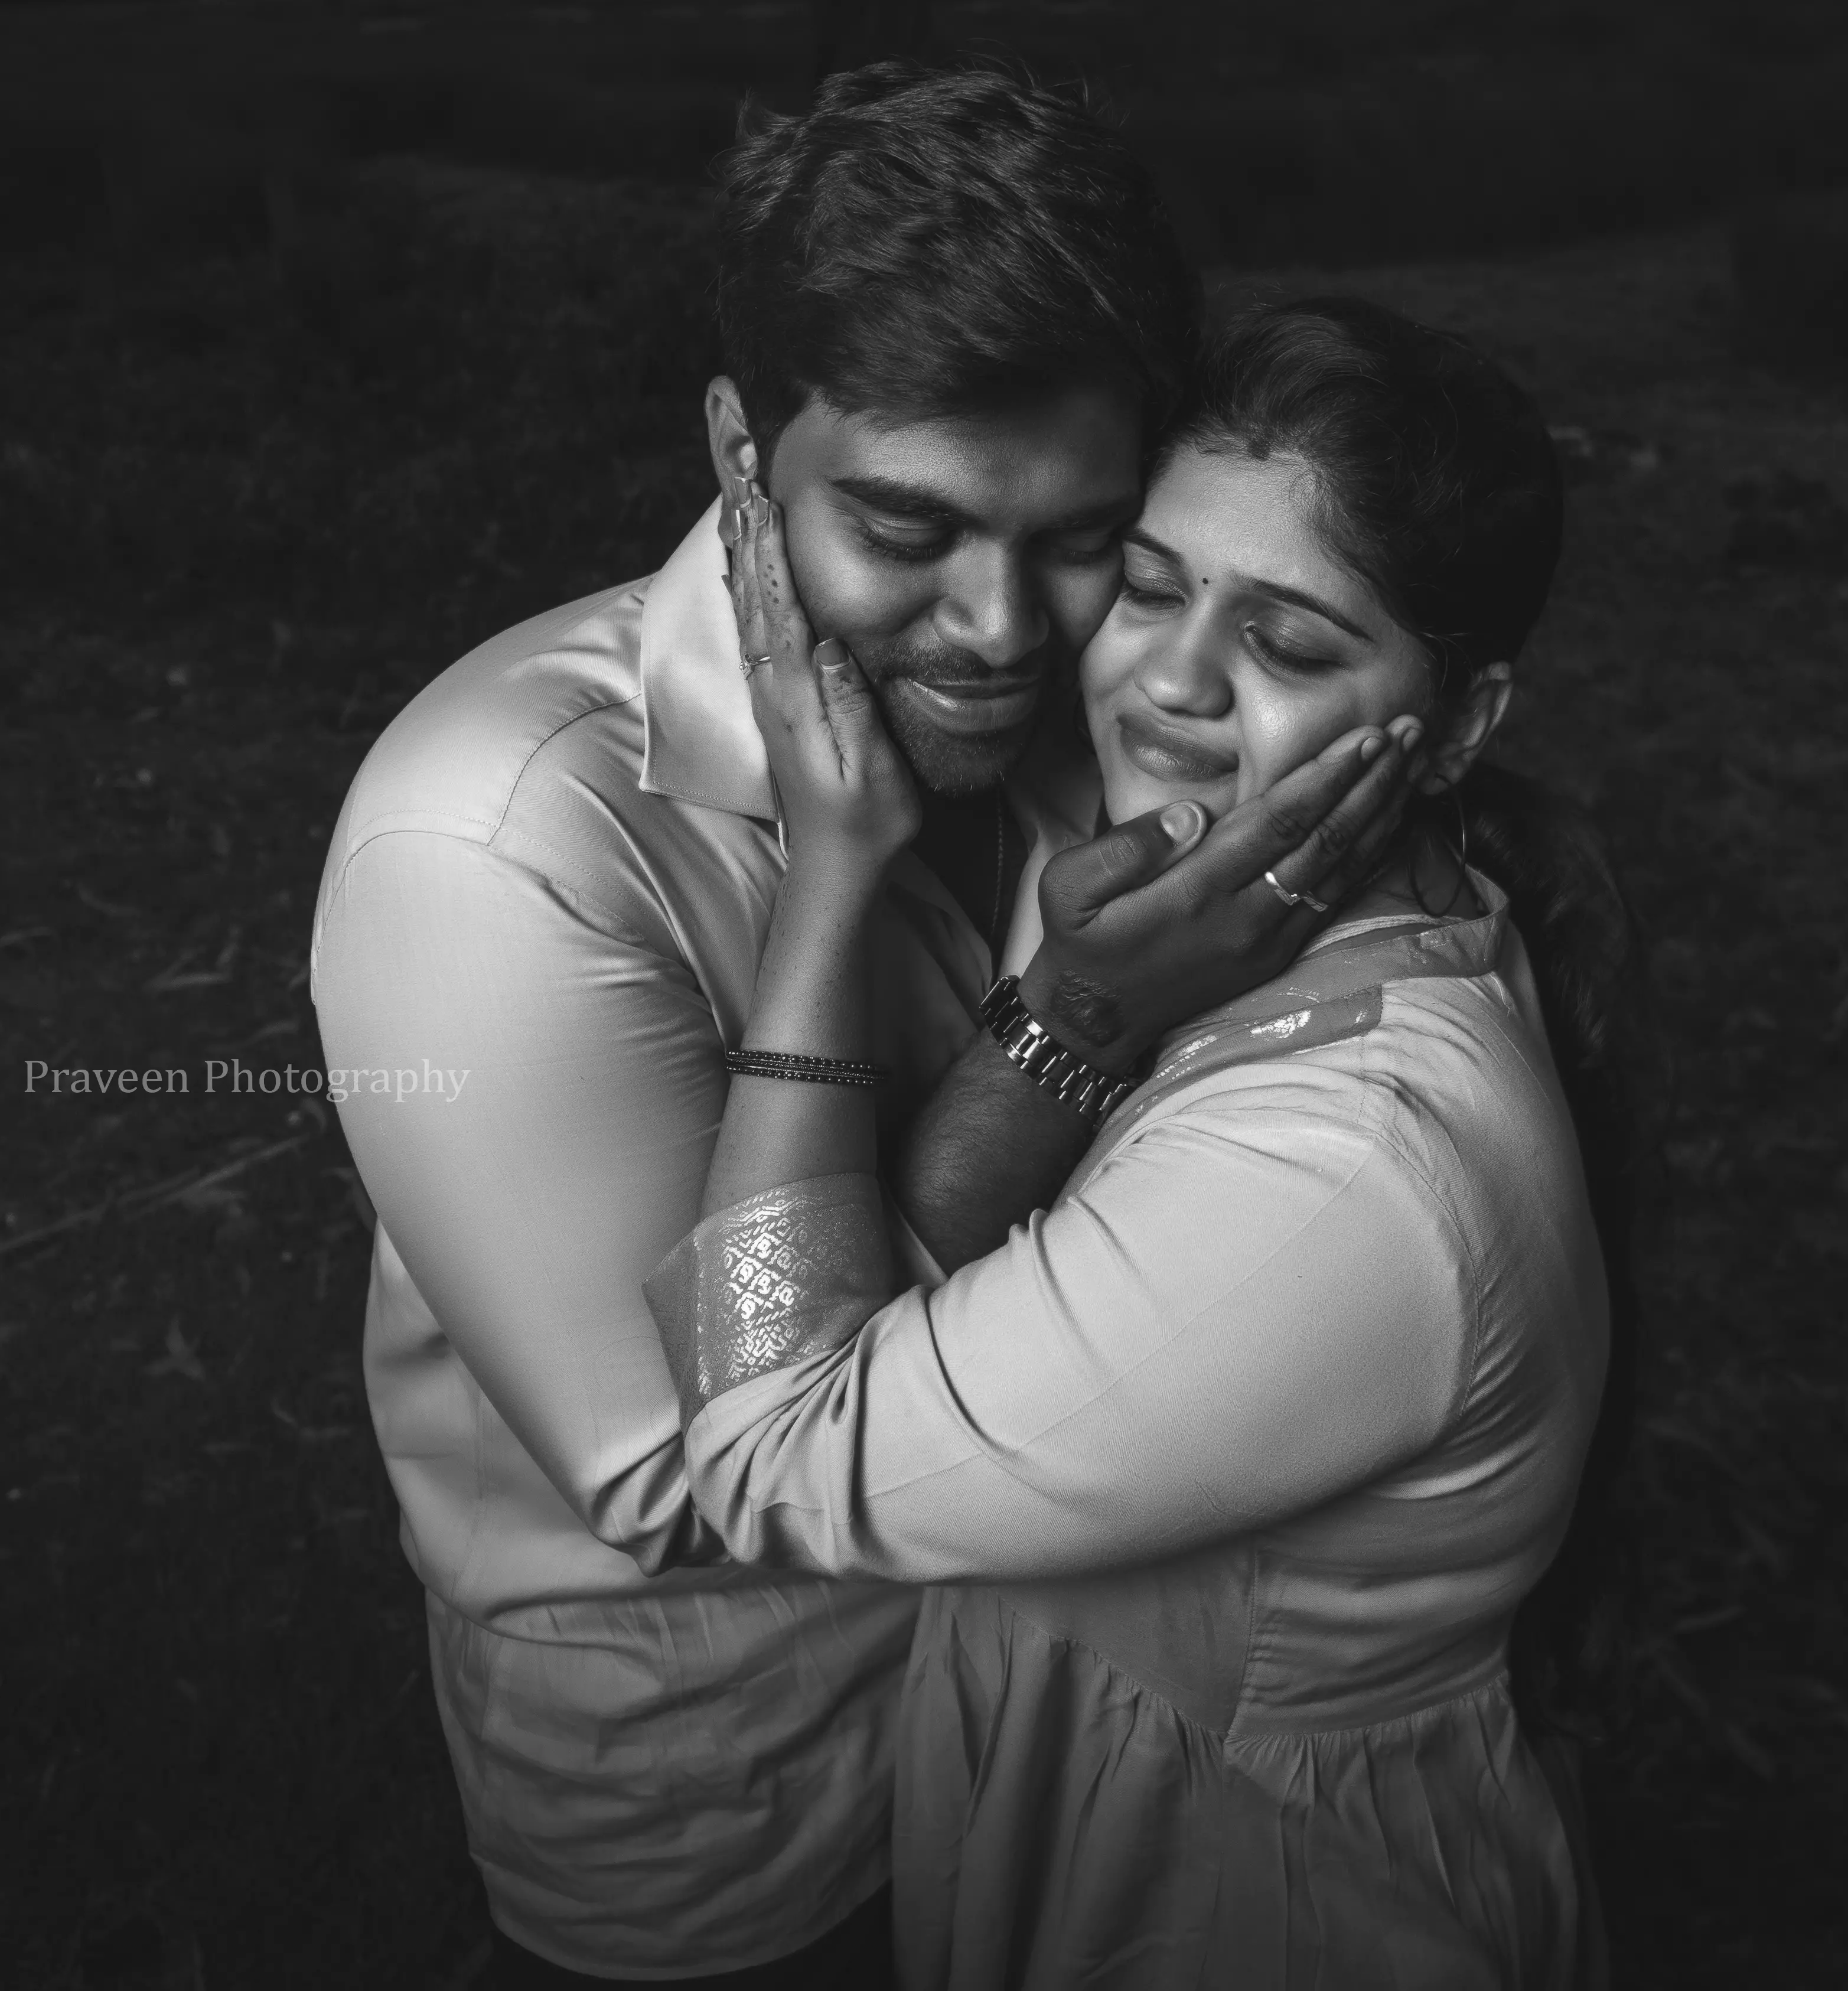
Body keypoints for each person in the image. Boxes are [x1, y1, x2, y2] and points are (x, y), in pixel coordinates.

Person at [308, 67, 1422, 1983]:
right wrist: (1069, 1025)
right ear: (743, 449)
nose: (998, 630)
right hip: (721, 1779)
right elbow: (687, 1476)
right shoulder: (493, 838)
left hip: (1051, 1709)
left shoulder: (1112, 694)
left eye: (1079, 537)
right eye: (904, 529)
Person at [652, 296, 1655, 1988]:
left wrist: (830, 877)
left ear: (1461, 723)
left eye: (1293, 646)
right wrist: (1082, 1003)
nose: (1170, 683)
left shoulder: (1345, 1176)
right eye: (1148, 585)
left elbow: (764, 1456)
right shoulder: (1232, 934)